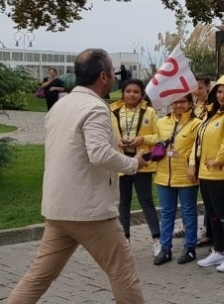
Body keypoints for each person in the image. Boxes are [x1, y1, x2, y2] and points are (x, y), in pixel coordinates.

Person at [9, 49, 148, 304]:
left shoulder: (61, 105)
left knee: (38, 276)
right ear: (104, 76)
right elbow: (98, 154)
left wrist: (113, 143)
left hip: (58, 207)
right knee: (123, 274)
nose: (116, 80)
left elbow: (77, 148)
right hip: (90, 211)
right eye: (113, 74)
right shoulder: (95, 107)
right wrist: (132, 163)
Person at [191, 74, 224, 273]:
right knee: (212, 213)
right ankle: (219, 249)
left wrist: (219, 158)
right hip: (205, 172)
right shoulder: (211, 114)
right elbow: (198, 141)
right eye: (220, 92)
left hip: (219, 173)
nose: (222, 96)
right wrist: (194, 164)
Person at [149, 94, 202, 266]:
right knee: (166, 212)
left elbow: (198, 148)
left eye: (183, 101)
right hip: (164, 175)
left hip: (186, 175)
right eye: (175, 101)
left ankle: (190, 247)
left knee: (189, 212)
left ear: (190, 104)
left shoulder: (196, 124)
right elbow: (154, 142)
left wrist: (192, 164)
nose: (179, 105)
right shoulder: (162, 122)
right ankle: (165, 248)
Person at [110, 79, 161, 256]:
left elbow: (160, 137)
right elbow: (106, 133)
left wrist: (143, 139)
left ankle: (157, 240)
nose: (132, 94)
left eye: (136, 92)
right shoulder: (113, 111)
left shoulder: (150, 112)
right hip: (121, 160)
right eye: (128, 91)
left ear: (141, 94)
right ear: (122, 93)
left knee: (146, 201)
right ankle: (125, 242)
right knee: (123, 203)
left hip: (141, 161)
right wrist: (116, 141)